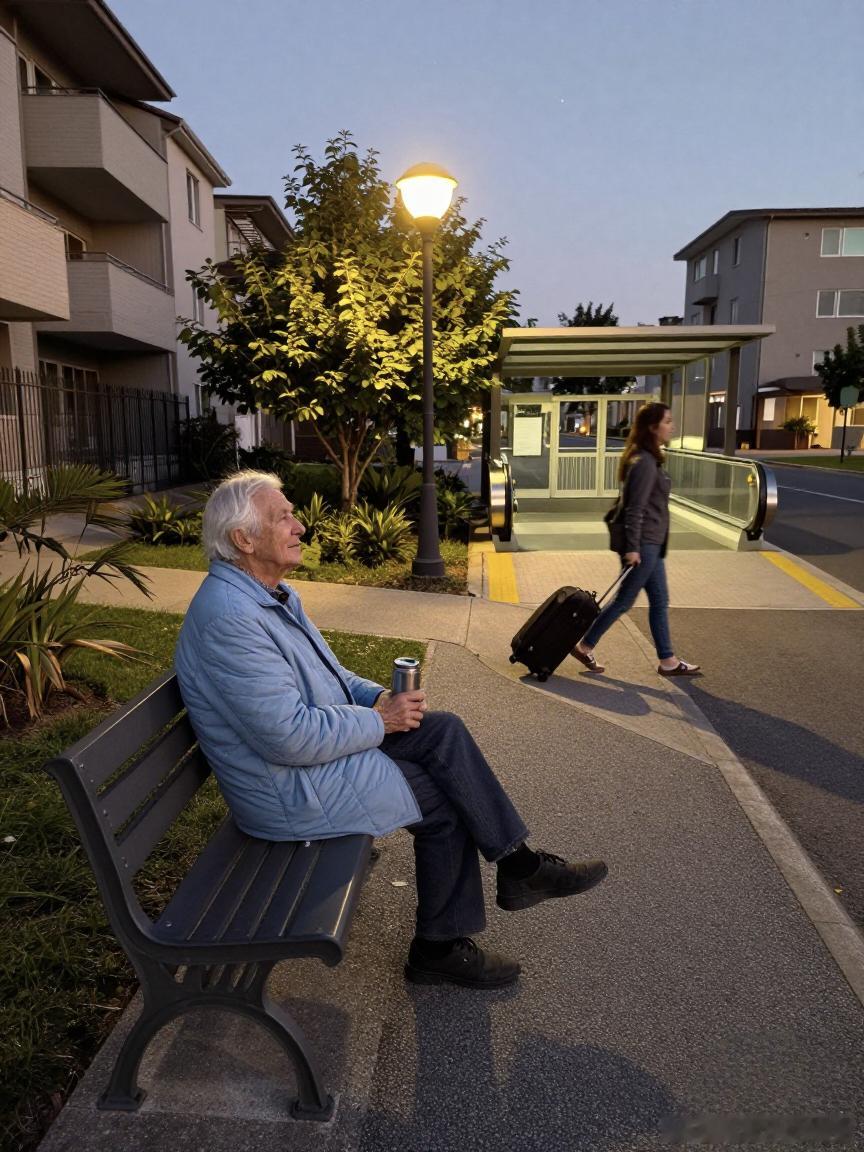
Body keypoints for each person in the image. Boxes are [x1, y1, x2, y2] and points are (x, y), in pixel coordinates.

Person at [175, 471, 608, 991]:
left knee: (442, 731)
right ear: (244, 539)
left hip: (306, 766)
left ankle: (518, 868)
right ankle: (448, 939)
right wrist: (381, 720)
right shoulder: (231, 618)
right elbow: (287, 738)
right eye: (283, 517)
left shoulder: (269, 595)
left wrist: (378, 698)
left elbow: (332, 676)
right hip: (287, 791)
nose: (300, 526)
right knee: (446, 801)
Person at [571, 402, 701, 678]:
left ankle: (667, 660)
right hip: (643, 545)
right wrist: (632, 548)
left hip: (651, 543)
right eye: (667, 421)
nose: (672, 426)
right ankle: (585, 645)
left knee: (658, 600)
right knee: (624, 601)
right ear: (652, 427)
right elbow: (634, 509)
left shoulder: (648, 459)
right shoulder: (644, 463)